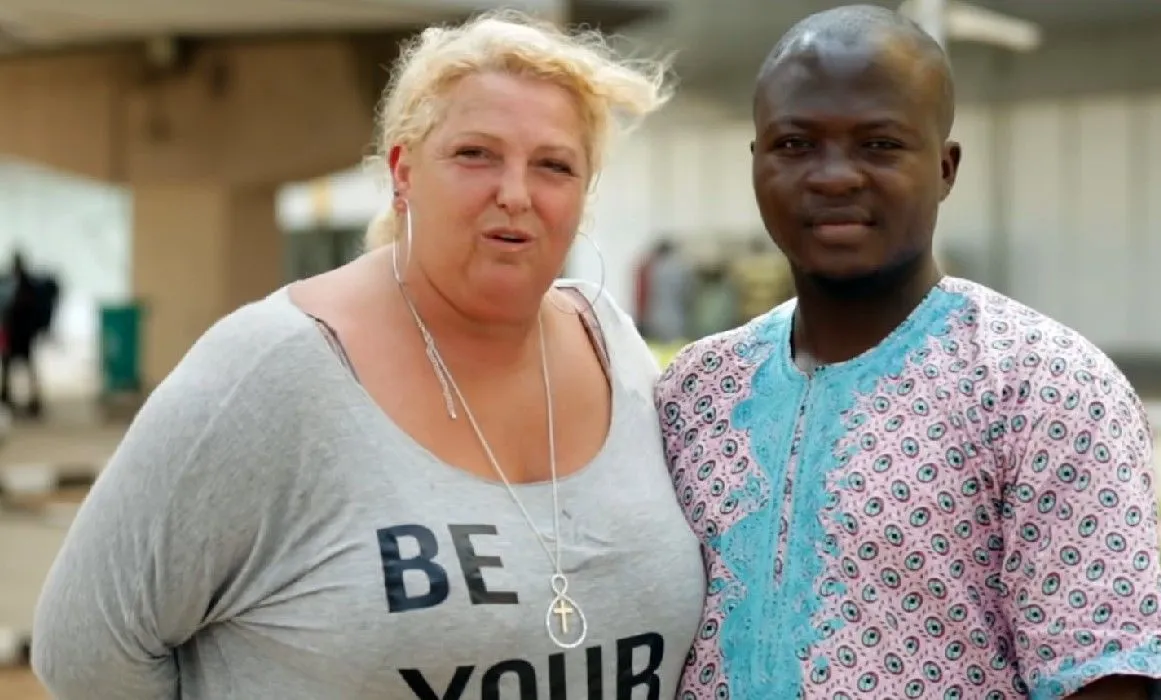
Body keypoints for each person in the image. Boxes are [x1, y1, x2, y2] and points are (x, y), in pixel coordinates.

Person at [32, 11, 706, 699]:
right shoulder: (271, 369)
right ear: (403, 173)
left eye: (554, 165)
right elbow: (87, 651)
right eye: (475, 154)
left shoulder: (614, 346)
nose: (514, 192)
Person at [655, 6, 1161, 700]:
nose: (834, 176)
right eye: (794, 144)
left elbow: (1103, 679)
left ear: (944, 167)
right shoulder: (696, 392)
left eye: (878, 144)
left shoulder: (1043, 387)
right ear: (756, 162)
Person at [0, 251, 51, 417]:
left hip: (19, 335)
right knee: (18, 368)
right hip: (20, 335)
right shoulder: (24, 285)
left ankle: (24, 399)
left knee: (16, 368)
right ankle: (12, 397)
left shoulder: (18, 285)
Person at [642, 239, 692, 343]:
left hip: (655, 315)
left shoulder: (654, 268)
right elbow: (686, 294)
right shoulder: (680, 269)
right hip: (676, 317)